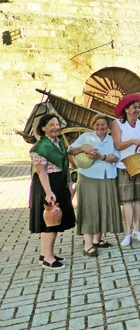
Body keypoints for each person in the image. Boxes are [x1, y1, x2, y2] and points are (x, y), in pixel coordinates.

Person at [68, 114, 123, 257]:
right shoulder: (86, 137)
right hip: (88, 177)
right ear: (93, 126)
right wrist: (83, 149)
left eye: (103, 124)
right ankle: (88, 244)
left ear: (108, 126)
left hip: (108, 176)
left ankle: (97, 239)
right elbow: (70, 149)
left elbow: (116, 157)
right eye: (97, 124)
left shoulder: (112, 139)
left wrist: (101, 157)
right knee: (89, 208)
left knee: (103, 206)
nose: (100, 127)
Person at [29, 114, 76, 269]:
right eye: (51, 125)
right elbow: (41, 172)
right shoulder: (40, 147)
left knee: (53, 220)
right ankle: (48, 258)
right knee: (50, 219)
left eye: (57, 124)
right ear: (43, 128)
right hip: (47, 185)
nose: (56, 127)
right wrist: (49, 192)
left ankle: (45, 254)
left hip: (58, 182)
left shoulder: (58, 143)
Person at [112, 92, 140, 246]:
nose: (137, 110)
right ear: (126, 109)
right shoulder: (117, 124)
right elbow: (117, 145)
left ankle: (137, 230)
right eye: (134, 107)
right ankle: (127, 233)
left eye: (139, 107)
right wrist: (133, 141)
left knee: (138, 200)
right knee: (127, 200)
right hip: (125, 166)